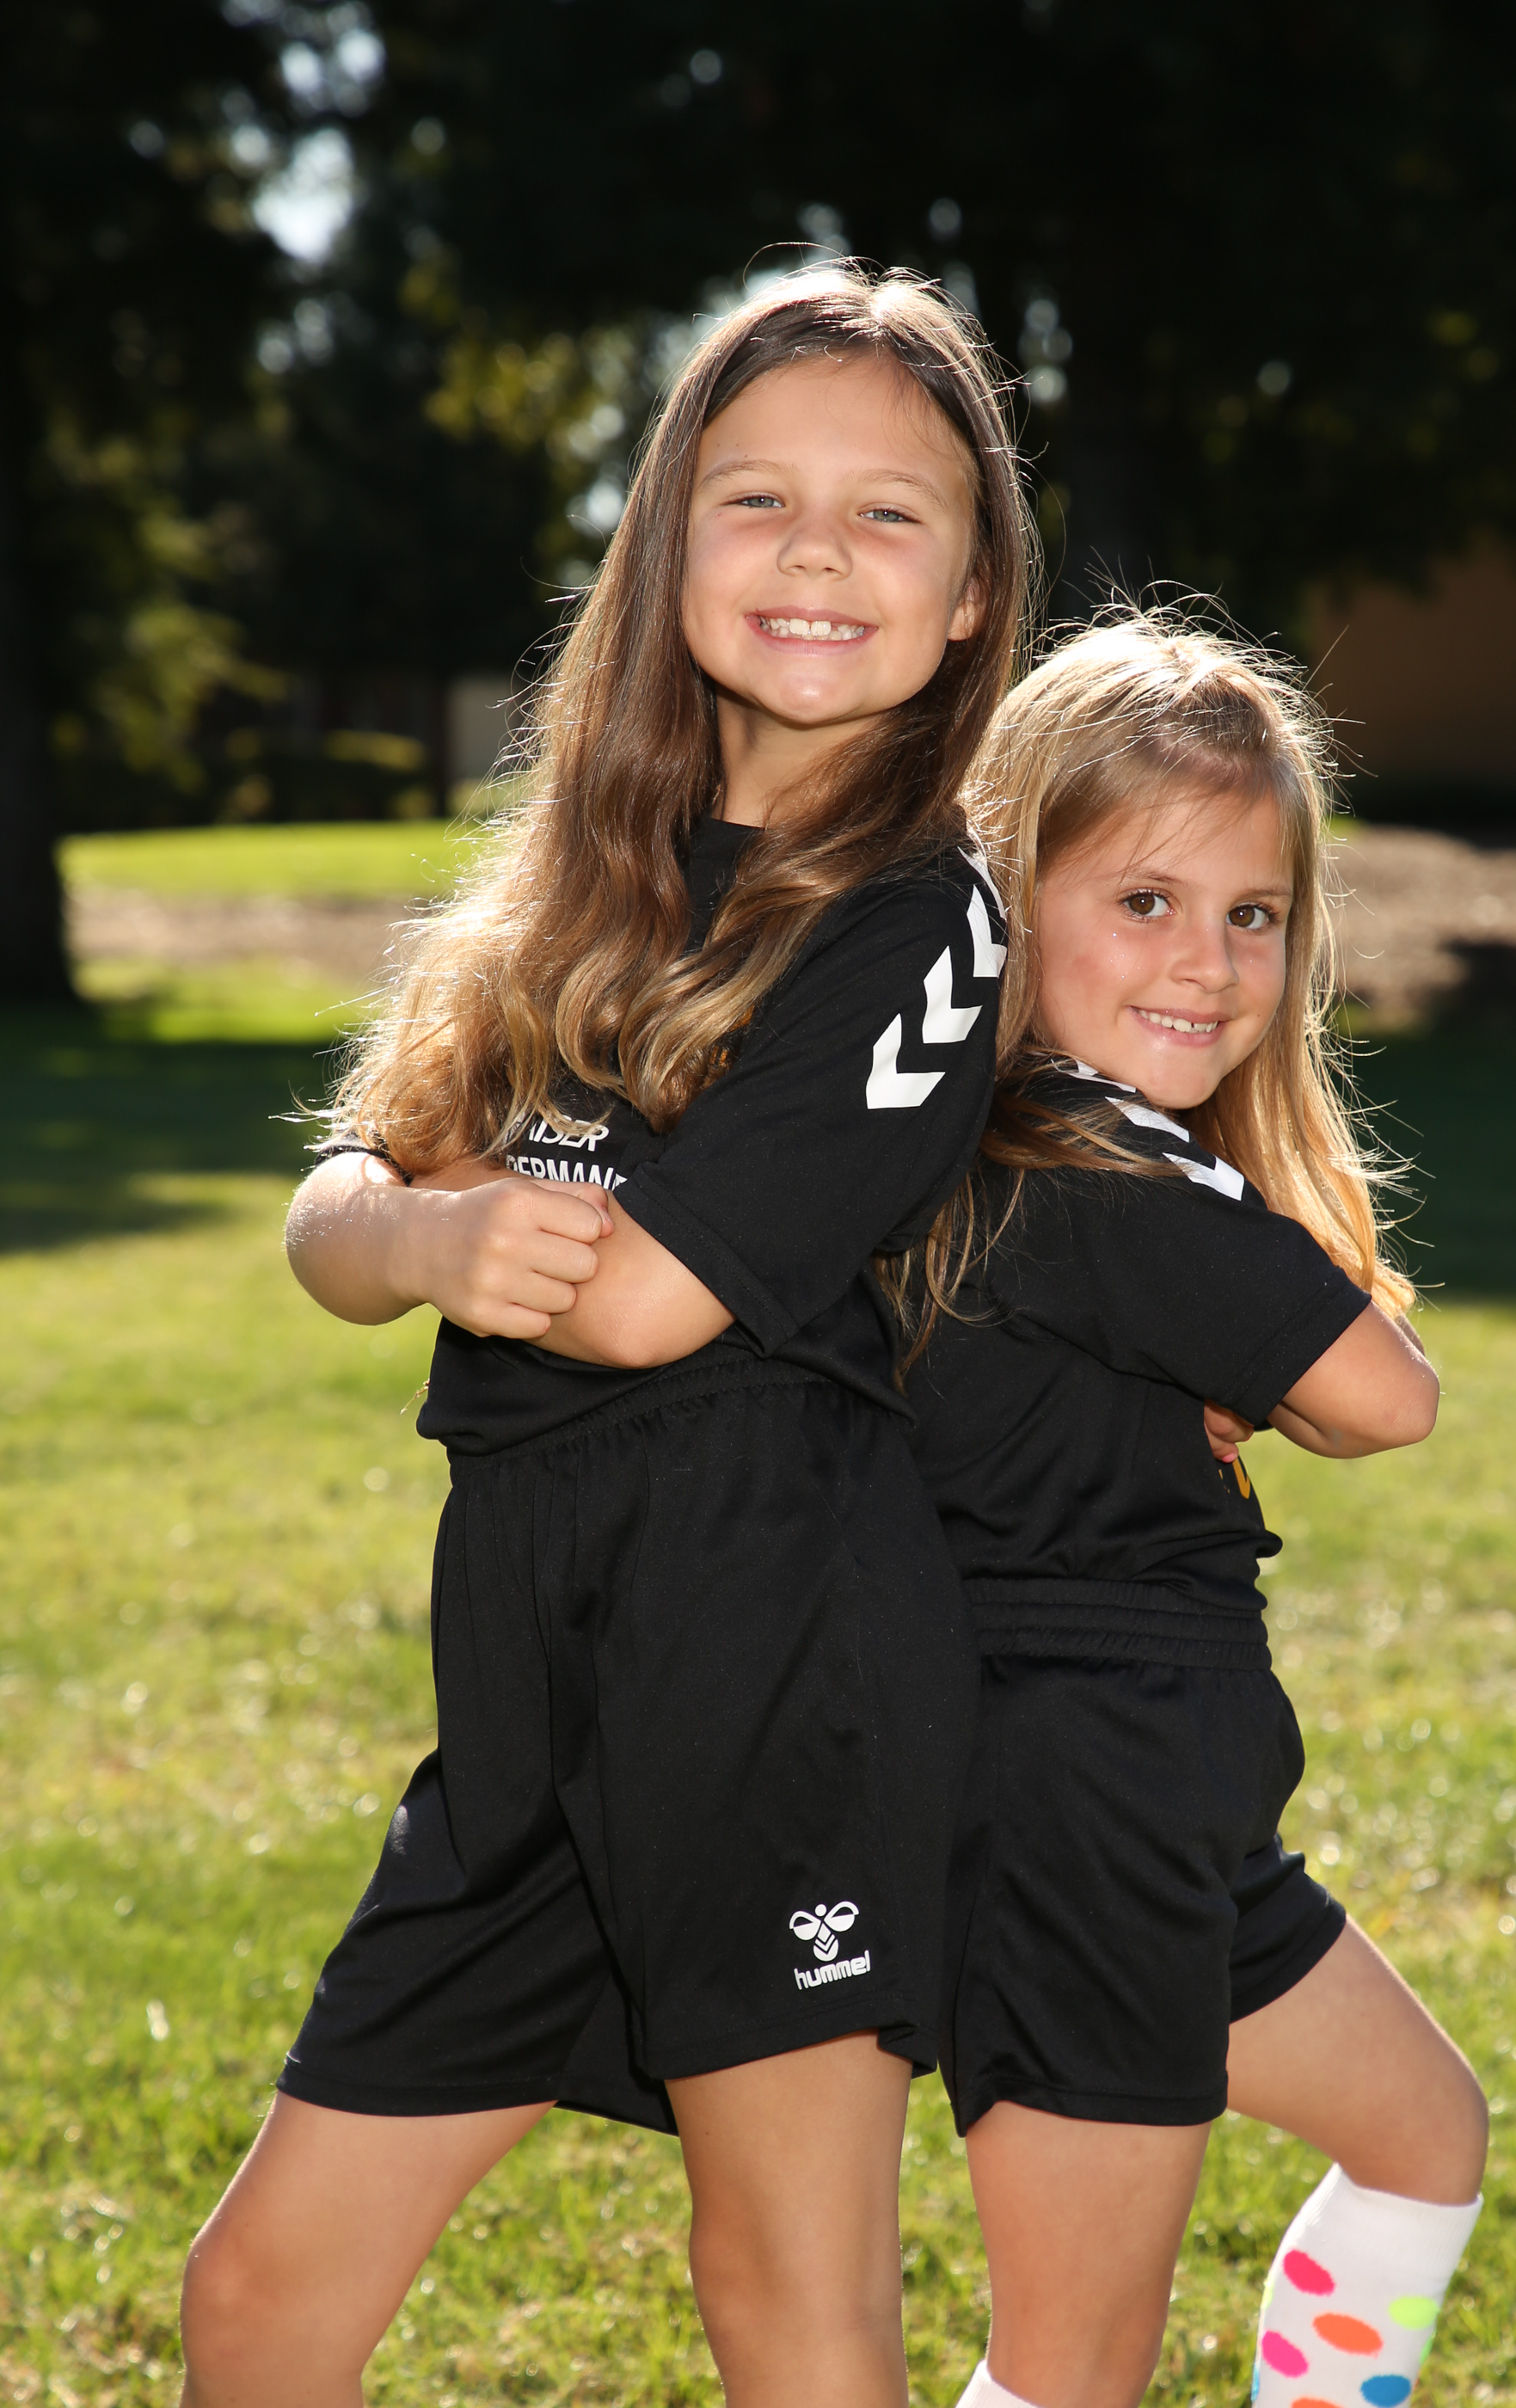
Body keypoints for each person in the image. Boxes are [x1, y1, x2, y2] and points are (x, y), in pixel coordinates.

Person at [176, 263, 1034, 2408]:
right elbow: (335, 1214)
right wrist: (428, 1226)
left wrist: (453, 1220)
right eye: (757, 498)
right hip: (528, 1698)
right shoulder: (579, 874)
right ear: (664, 545)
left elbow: (643, 1300)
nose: (817, 551)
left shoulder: (923, 919)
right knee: (258, 2297)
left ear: (966, 601)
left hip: (775, 1678)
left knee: (787, 2301)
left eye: (887, 513)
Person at [891, 614, 1488, 2408]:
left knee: (1422, 2130)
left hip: (1166, 1804)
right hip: (1076, 1808)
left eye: (1252, 914)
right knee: (1071, 2366)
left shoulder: (1043, 1152)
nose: (1207, 962)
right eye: (1142, 900)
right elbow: (1387, 1396)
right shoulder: (1086, 1152)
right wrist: (1280, 1353)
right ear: (1007, 902)